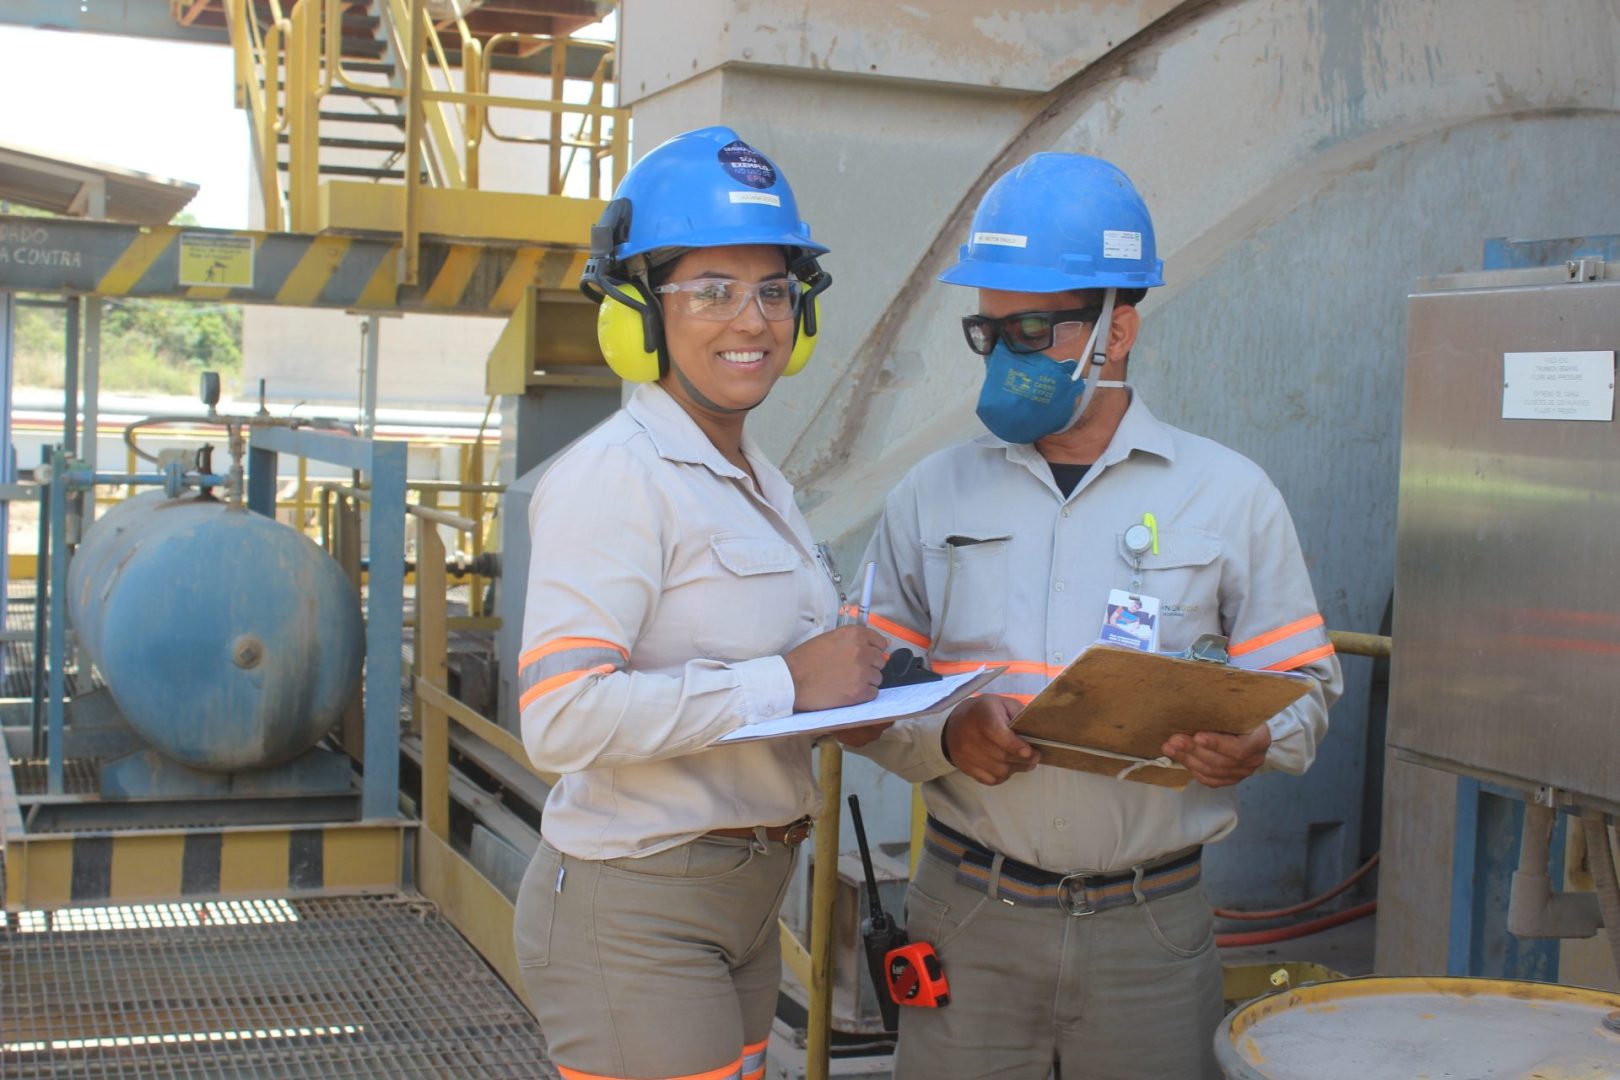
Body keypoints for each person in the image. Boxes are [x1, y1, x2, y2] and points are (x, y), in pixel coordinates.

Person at [853, 152, 1344, 1078]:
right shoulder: (932, 495)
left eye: (1031, 329)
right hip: (970, 916)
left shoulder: (1228, 495)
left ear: (1116, 332)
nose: (1004, 356)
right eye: (988, 331)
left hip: (1150, 935)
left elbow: (1305, 690)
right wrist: (948, 732)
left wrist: (1256, 741)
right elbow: (866, 684)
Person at [512, 126, 889, 1080]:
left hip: (748, 900)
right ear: (639, 314)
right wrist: (785, 684)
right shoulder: (617, 478)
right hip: (639, 908)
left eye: (774, 292)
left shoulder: (752, 477)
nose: (753, 321)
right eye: (712, 292)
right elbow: (559, 719)